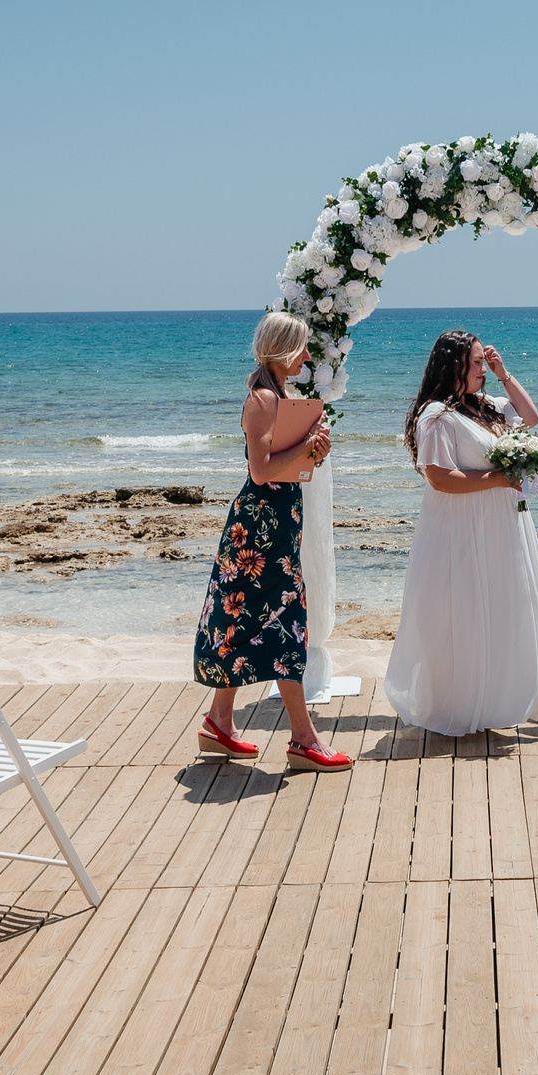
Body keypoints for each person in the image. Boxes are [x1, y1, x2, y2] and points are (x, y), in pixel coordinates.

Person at [191, 312, 355, 772]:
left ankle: (219, 722)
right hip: (258, 531)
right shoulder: (264, 398)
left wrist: (313, 452)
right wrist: (306, 446)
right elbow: (261, 471)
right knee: (285, 622)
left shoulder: (281, 396)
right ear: (283, 349)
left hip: (275, 523)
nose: (307, 356)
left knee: (247, 620)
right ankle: (304, 738)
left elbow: (284, 467)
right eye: (301, 347)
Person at [386, 330, 538, 736]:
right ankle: (461, 703)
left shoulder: (487, 406)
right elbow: (440, 478)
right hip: (461, 528)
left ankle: (500, 696)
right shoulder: (436, 416)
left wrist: (503, 374)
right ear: (455, 365)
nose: (483, 368)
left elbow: (531, 417)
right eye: (478, 362)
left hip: (502, 524)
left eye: (485, 361)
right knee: (461, 610)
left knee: (505, 605)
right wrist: (499, 479)